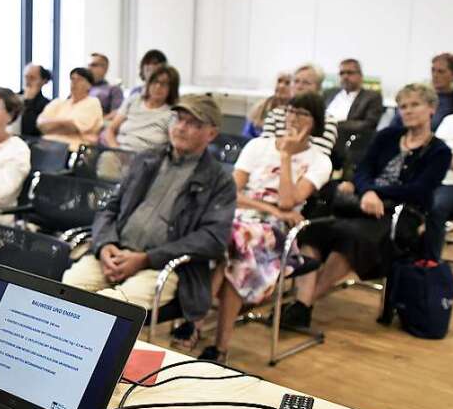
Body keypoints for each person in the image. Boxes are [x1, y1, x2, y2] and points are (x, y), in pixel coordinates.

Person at [62, 95, 235, 339]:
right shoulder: (147, 159)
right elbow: (109, 207)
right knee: (66, 291)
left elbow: (212, 239)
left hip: (164, 266)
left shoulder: (219, 181)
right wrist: (104, 246)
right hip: (115, 252)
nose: (181, 128)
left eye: (193, 124)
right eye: (178, 119)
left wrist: (146, 259)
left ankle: (95, 367)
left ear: (211, 134)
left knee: (109, 309)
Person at [287, 83, 451, 327]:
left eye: (414, 105)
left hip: (401, 214)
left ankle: (302, 305)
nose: (407, 111)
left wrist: (374, 192)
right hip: (361, 205)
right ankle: (302, 305)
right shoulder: (387, 136)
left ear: (431, 108)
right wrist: (367, 192)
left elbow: (419, 190)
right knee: (312, 231)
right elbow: (362, 169)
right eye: (403, 106)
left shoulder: (440, 151)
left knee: (354, 238)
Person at [201, 93, 333, 362]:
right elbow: (230, 194)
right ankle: (220, 348)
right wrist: (270, 208)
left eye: (303, 114)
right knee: (235, 251)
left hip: (277, 232)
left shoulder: (320, 161)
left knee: (235, 238)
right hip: (241, 222)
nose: (294, 118)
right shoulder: (257, 146)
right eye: (291, 111)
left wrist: (285, 156)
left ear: (315, 123)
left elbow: (288, 201)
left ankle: (196, 320)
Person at [262, 63, 339, 158]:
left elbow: (319, 158)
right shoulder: (275, 114)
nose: (299, 86)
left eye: (306, 83)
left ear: (318, 89)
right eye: (296, 81)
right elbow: (264, 150)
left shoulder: (328, 121)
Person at [100, 64, 179, 151]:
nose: (158, 87)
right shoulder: (134, 100)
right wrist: (116, 149)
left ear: (171, 89)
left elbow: (175, 144)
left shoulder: (172, 113)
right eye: (155, 81)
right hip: (120, 151)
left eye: (164, 84)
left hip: (149, 159)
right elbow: (110, 130)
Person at [36, 67, 104, 151]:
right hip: (46, 146)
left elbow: (74, 127)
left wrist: (52, 126)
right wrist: (65, 123)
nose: (74, 82)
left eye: (79, 80)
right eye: (72, 79)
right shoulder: (58, 102)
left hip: (73, 150)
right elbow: (41, 124)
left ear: (89, 85)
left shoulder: (92, 103)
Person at [323, 58, 384, 133]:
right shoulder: (329, 93)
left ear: (360, 76)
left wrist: (333, 125)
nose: (345, 77)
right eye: (342, 73)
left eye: (350, 73)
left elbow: (369, 124)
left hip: (349, 138)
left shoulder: (371, 97)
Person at [427, 111, 453, 260]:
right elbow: (439, 154)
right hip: (450, 183)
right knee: (436, 207)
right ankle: (433, 262)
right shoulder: (450, 121)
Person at [243, 71, 291, 138]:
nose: (281, 86)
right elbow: (247, 135)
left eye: (287, 83)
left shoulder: (294, 111)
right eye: (279, 81)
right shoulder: (259, 107)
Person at [20, 62, 51, 137]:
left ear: (44, 81)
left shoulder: (47, 104)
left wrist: (29, 101)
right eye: (26, 77)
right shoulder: (13, 97)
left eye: (32, 78)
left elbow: (29, 131)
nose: (27, 81)